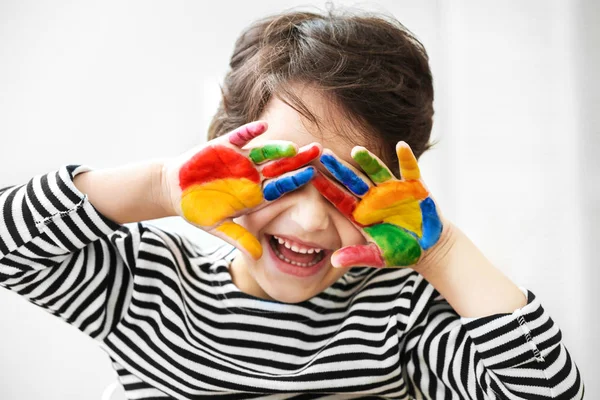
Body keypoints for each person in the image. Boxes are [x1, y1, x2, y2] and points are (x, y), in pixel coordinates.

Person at [0, 8, 584, 400]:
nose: (308, 219)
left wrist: (443, 254)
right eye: (281, 175)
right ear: (221, 150)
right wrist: (158, 187)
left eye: (349, 187)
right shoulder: (149, 285)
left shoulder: (401, 315)